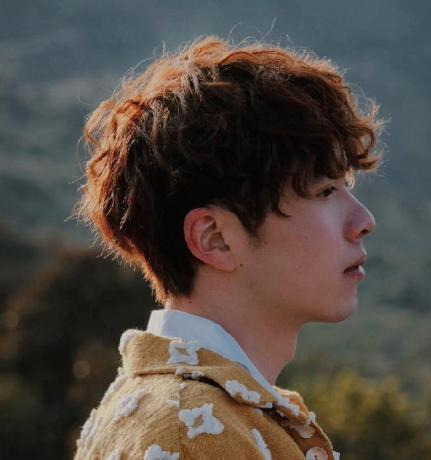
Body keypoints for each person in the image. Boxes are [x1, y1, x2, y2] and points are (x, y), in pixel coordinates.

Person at [72, 35, 383, 460]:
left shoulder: (194, 412)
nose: (364, 222)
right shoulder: (195, 433)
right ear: (214, 238)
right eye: (325, 191)